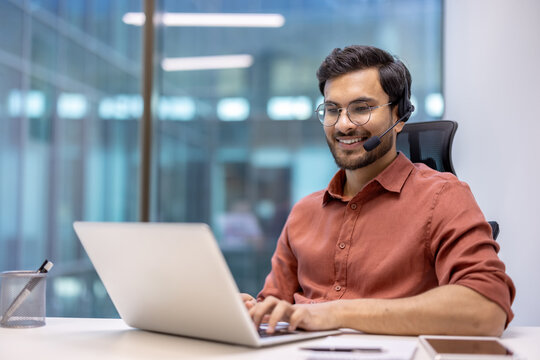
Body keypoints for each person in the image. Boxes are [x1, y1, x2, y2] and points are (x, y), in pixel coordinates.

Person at [241, 45, 515, 336]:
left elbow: (485, 309)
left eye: (362, 109)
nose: (344, 124)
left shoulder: (443, 197)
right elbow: (273, 306)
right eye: (333, 110)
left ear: (398, 116)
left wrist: (333, 312)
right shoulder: (304, 213)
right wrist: (248, 311)